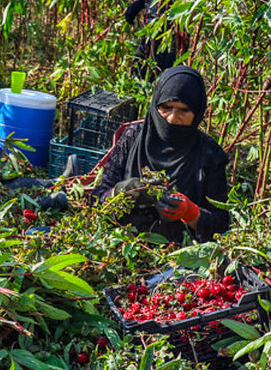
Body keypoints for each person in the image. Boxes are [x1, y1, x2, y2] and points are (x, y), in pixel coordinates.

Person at [94, 66, 230, 243]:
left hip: (178, 256)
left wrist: (190, 213)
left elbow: (221, 225)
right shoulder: (133, 137)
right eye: (166, 107)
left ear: (197, 112)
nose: (173, 118)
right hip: (121, 243)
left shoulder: (210, 155)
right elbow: (97, 202)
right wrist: (126, 191)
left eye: (183, 110)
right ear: (155, 103)